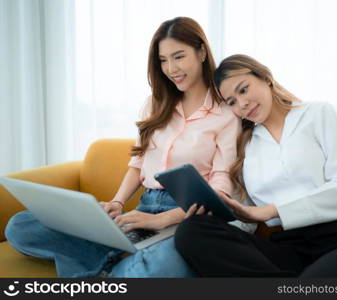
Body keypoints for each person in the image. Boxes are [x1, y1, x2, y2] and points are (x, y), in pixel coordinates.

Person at [5, 17, 240, 278]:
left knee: (166, 265)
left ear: (202, 52)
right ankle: (118, 260)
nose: (171, 68)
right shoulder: (155, 103)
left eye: (179, 56)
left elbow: (220, 189)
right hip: (143, 208)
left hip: (183, 218)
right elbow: (138, 163)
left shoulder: (226, 114)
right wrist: (117, 202)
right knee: (21, 226)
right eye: (163, 60)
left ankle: (109, 262)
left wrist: (161, 220)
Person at [174, 54, 337, 277]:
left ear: (265, 78)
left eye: (244, 89)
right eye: (231, 102)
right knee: (192, 231)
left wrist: (273, 210)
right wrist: (215, 217)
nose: (242, 104)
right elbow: (247, 220)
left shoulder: (317, 114)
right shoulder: (246, 145)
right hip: (292, 250)